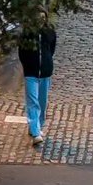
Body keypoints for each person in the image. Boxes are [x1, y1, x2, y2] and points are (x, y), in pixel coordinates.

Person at [18, 12, 56, 147]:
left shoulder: (49, 33)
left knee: (42, 102)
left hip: (45, 72)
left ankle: (37, 125)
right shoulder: (27, 34)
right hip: (31, 73)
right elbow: (21, 52)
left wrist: (47, 63)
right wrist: (28, 66)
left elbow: (51, 49)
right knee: (33, 102)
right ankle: (36, 132)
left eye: (42, 18)